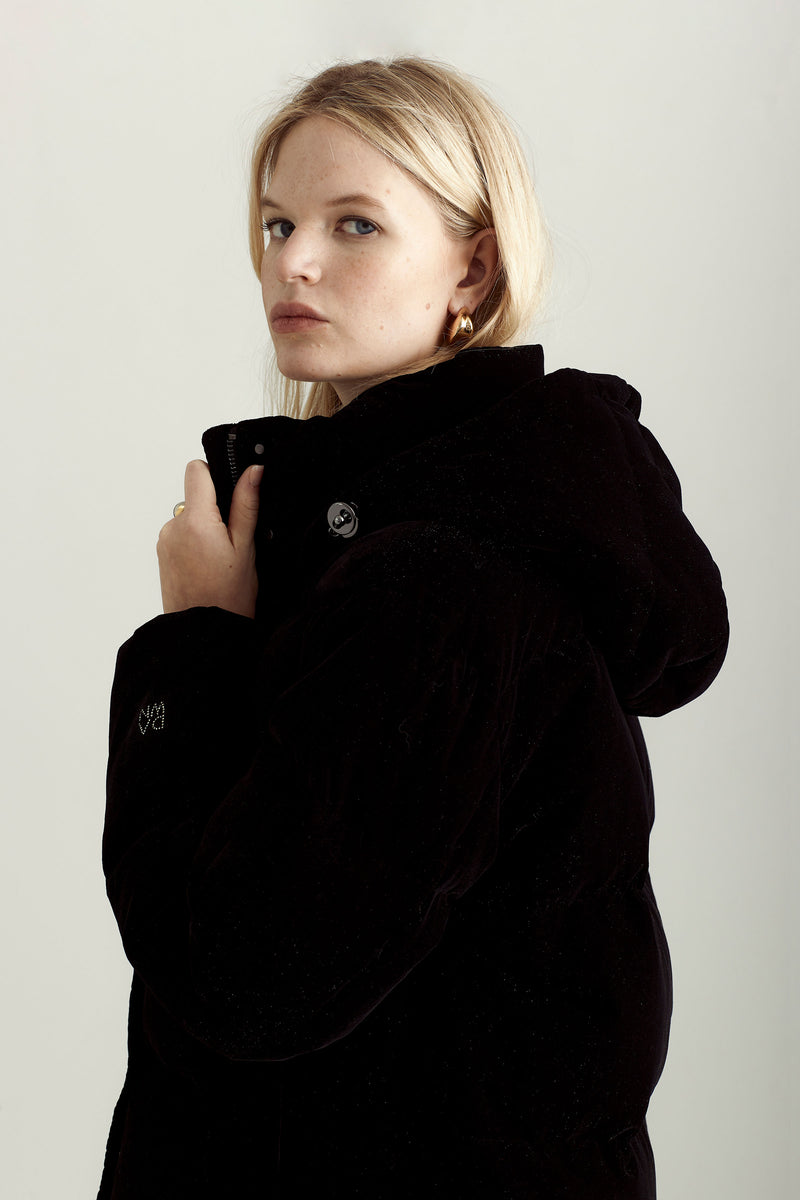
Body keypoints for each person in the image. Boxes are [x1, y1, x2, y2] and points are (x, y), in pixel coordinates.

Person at [98, 57, 728, 1199]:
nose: (292, 260)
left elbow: (251, 980)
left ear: (472, 267)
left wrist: (192, 643)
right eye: (278, 222)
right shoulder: (408, 537)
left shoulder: (437, 582)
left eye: (355, 225)